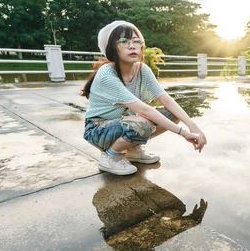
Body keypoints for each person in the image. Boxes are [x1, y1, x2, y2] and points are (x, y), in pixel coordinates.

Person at [81, 21, 207, 175]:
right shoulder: (107, 74)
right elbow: (144, 110)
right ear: (112, 47)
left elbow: (165, 99)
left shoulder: (142, 69)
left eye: (136, 41)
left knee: (171, 114)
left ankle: (133, 150)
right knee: (143, 123)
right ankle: (110, 156)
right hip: (97, 129)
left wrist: (192, 126)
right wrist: (183, 133)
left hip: (125, 122)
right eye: (123, 41)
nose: (132, 46)